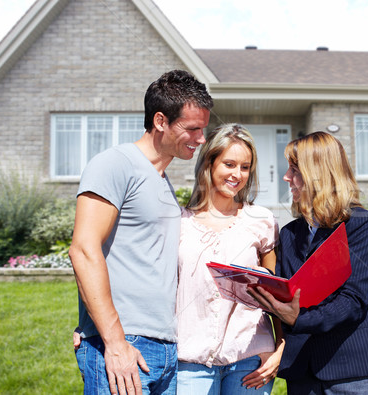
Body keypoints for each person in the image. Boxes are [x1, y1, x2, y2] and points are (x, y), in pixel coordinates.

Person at [69, 69, 213, 395]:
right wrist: (112, 340)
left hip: (164, 348)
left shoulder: (161, 181)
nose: (201, 139)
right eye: (192, 128)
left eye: (203, 129)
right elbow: (83, 249)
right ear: (160, 121)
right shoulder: (115, 164)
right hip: (126, 346)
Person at [249, 131, 368, 394]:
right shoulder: (290, 234)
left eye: (294, 170)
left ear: (318, 175)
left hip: (351, 370)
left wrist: (299, 318)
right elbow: (283, 289)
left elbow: (353, 301)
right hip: (302, 373)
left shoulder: (358, 223)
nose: (286, 178)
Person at [176, 123, 284, 394]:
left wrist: (280, 348)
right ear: (209, 163)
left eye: (245, 167)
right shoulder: (178, 222)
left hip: (250, 360)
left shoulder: (260, 221)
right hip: (190, 361)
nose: (237, 174)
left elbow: (276, 296)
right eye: (229, 164)